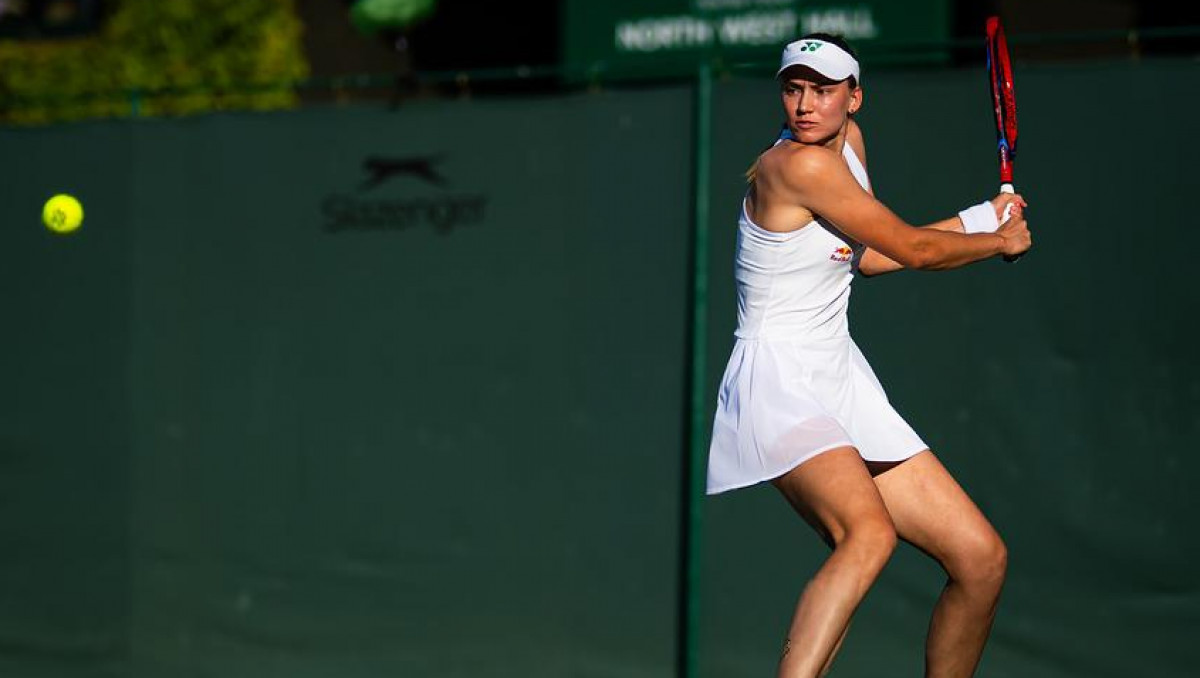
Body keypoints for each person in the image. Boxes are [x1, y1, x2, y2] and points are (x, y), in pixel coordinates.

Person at [706, 33, 1031, 678]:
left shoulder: (848, 145)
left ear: (854, 98)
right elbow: (916, 251)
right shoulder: (795, 166)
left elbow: (874, 255)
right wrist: (997, 242)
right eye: (793, 88)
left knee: (980, 559)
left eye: (823, 90)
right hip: (778, 381)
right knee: (867, 535)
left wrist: (981, 219)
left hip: (839, 375)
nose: (805, 104)